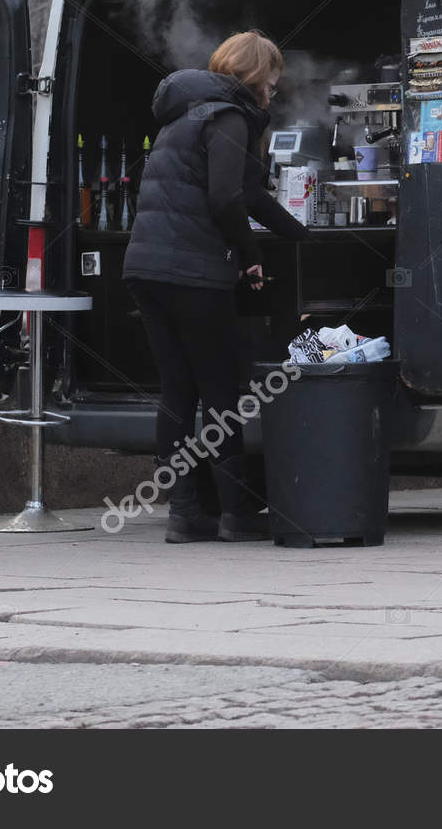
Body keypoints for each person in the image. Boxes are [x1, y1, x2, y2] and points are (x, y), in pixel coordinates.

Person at [123, 30, 310, 543]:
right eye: (271, 80)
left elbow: (246, 194)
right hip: (192, 273)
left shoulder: (184, 116)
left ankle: (183, 514)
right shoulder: (229, 117)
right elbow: (229, 198)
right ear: (253, 75)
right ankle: (235, 514)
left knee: (178, 391)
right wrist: (250, 255)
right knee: (222, 390)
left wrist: (296, 233)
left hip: (147, 267)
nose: (274, 90)